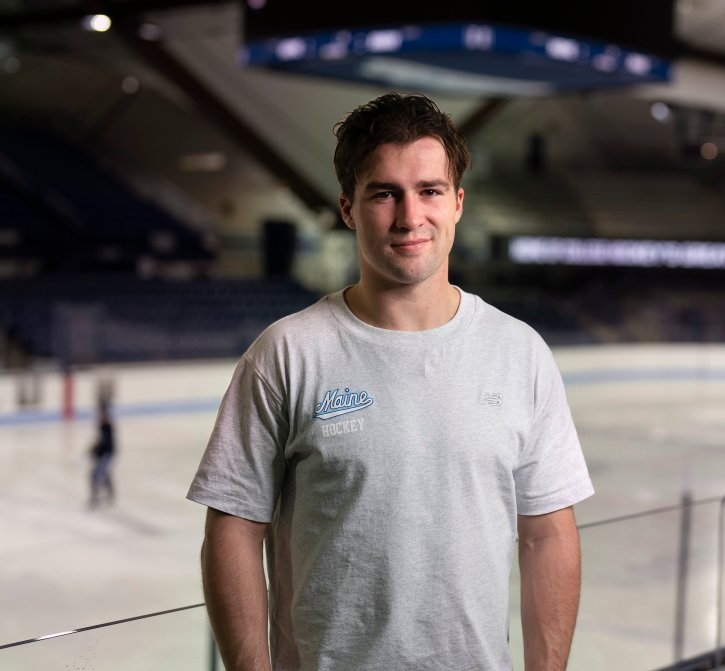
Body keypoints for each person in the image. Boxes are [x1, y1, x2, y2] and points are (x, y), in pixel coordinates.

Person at [187, 92, 594, 671]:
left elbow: (548, 535)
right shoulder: (287, 353)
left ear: (457, 203)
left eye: (429, 191)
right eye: (384, 194)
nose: (409, 217)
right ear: (349, 209)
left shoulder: (520, 352)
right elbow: (232, 529)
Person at [88, 402, 116, 508]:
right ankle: (110, 493)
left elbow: (107, 444)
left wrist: (98, 451)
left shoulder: (107, 427)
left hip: (106, 455)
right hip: (104, 455)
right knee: (102, 475)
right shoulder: (102, 427)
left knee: (96, 475)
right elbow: (100, 443)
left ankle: (96, 496)